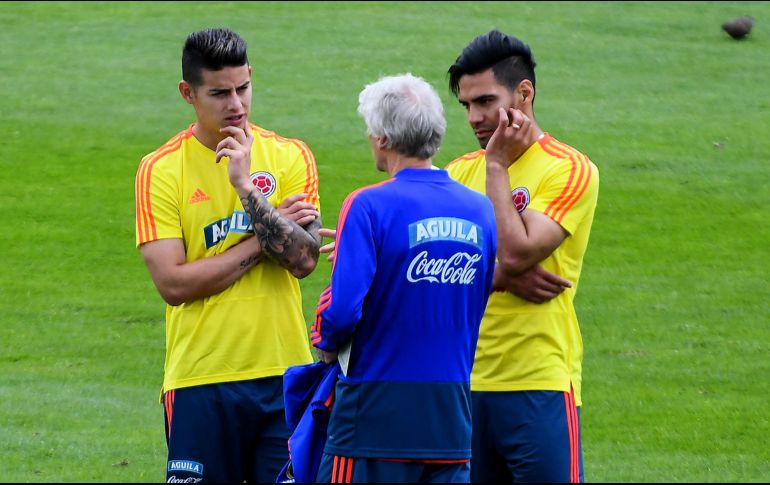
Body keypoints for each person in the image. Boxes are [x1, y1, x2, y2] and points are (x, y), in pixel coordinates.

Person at [134, 27, 322, 483]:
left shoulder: (290, 156)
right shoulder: (160, 170)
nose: (236, 105)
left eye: (243, 88)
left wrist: (244, 187)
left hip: (284, 375)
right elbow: (174, 285)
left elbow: (303, 261)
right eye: (219, 93)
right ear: (188, 93)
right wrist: (265, 233)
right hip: (200, 380)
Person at [309, 73, 498, 483]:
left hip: (373, 424)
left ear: (382, 138)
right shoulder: (480, 211)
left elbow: (341, 311)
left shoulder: (367, 205)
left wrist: (321, 341)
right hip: (449, 424)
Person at [445, 30, 600, 483]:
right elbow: (435, 269)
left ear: (524, 93)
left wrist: (496, 167)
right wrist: (503, 276)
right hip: (462, 383)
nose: (474, 118)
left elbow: (515, 252)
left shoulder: (568, 169)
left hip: (539, 383)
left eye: (485, 102)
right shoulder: (455, 173)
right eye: (466, 106)